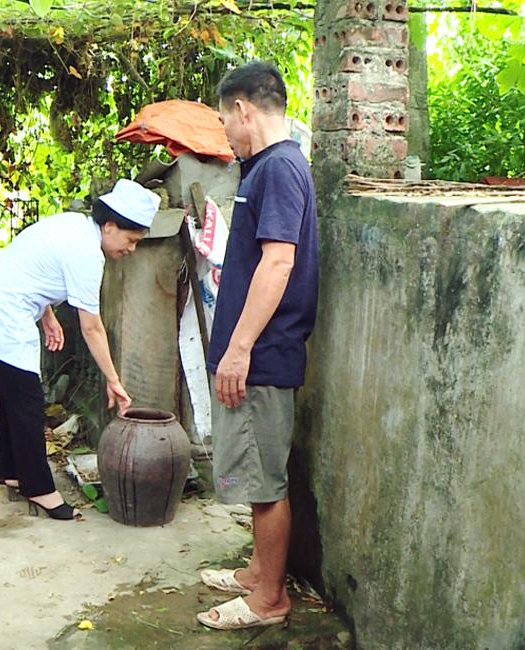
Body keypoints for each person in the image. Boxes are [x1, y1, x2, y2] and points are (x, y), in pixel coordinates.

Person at [195, 62, 319, 630]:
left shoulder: (279, 169)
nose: (225, 130)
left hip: (263, 356)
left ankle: (269, 599)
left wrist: (239, 348)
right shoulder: (265, 167)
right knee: (253, 471)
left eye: (225, 118)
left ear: (243, 108)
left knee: (265, 481)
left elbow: (279, 260)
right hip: (256, 353)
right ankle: (255, 573)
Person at [0, 179, 160, 520]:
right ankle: (39, 489)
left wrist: (47, 314)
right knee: (28, 404)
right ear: (110, 226)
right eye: (131, 240)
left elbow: (34, 267)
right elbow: (91, 327)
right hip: (5, 314)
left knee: (11, 396)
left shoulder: (72, 225)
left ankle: (12, 470)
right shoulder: (87, 254)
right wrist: (114, 380)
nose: (131, 249)